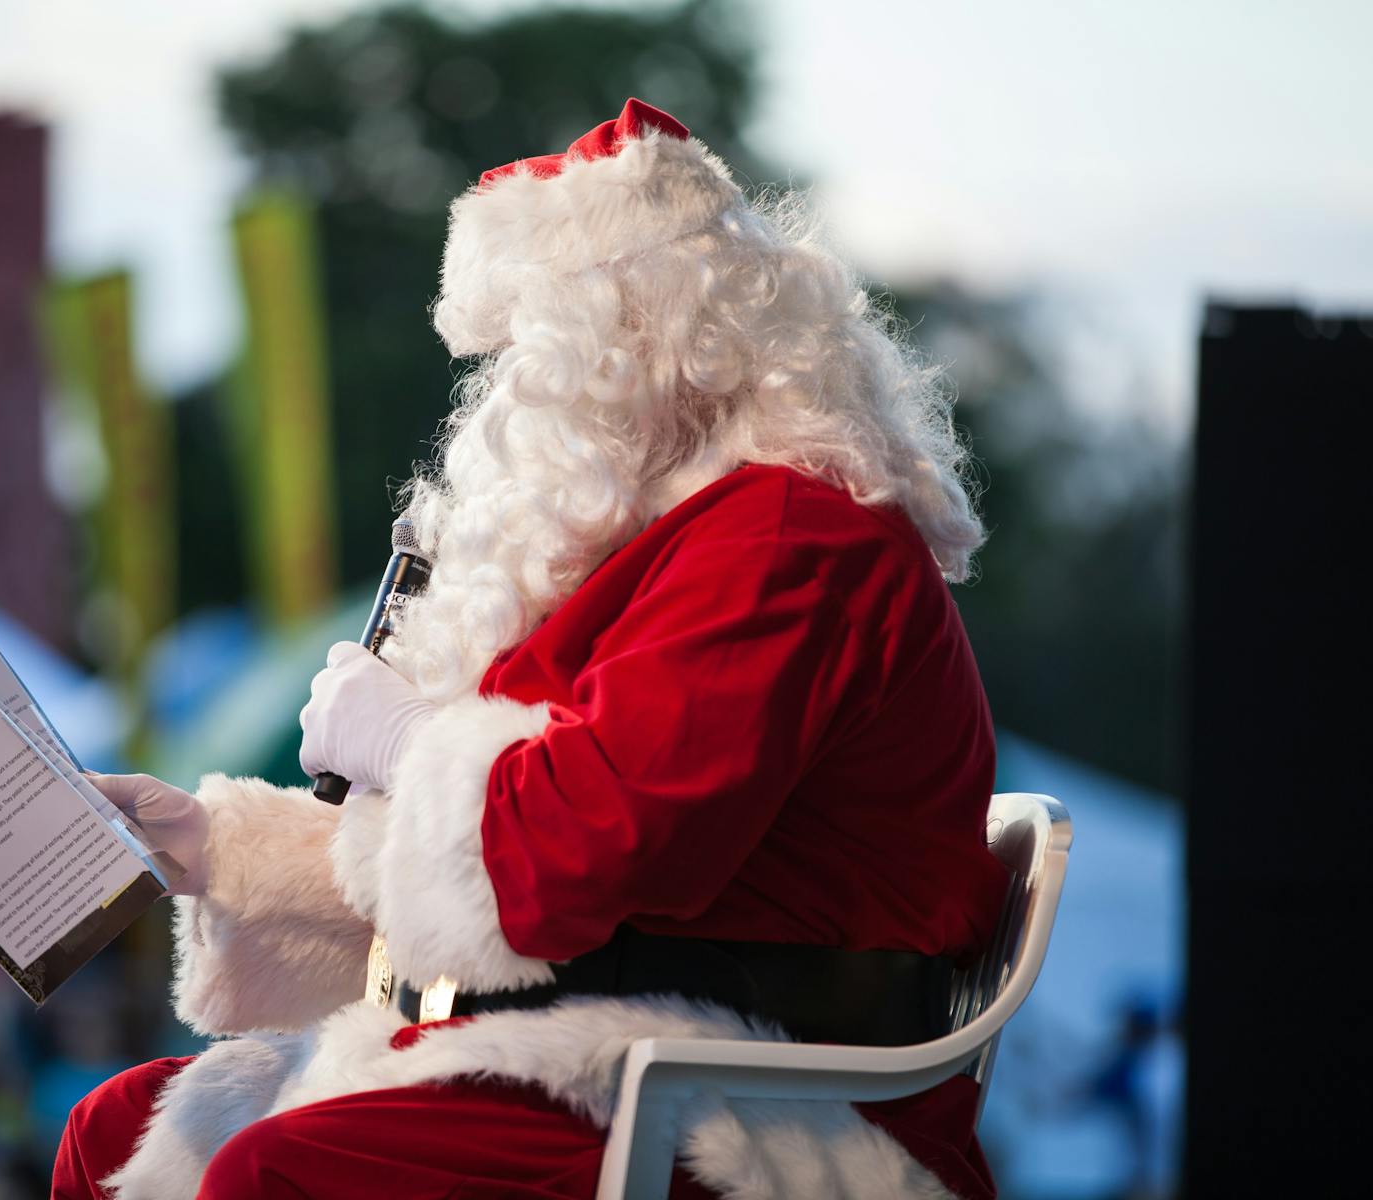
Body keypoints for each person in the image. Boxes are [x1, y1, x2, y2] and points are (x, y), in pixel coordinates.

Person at [53, 98, 1008, 1200]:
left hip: (746, 1096)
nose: (508, 400)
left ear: (641, 344)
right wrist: (223, 845)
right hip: (609, 1039)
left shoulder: (789, 538)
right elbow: (535, 880)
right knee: (111, 1129)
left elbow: (587, 849)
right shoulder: (664, 544)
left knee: (286, 1171)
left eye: (535, 351)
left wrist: (408, 740)